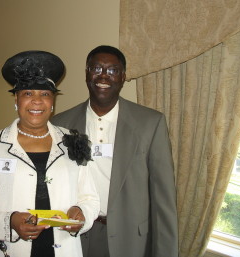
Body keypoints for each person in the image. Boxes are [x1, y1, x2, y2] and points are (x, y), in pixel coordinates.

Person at [0, 50, 100, 257]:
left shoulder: (72, 141)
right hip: (9, 249)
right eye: (28, 93)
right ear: (16, 100)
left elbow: (89, 198)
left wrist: (81, 215)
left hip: (63, 248)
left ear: (52, 102)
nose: (37, 101)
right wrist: (9, 221)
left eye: (44, 94)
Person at [52, 45, 178, 257]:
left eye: (112, 70)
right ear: (86, 73)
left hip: (131, 240)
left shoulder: (150, 123)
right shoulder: (60, 124)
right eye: (96, 69)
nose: (103, 76)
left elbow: (163, 199)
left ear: (123, 77)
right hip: (77, 236)